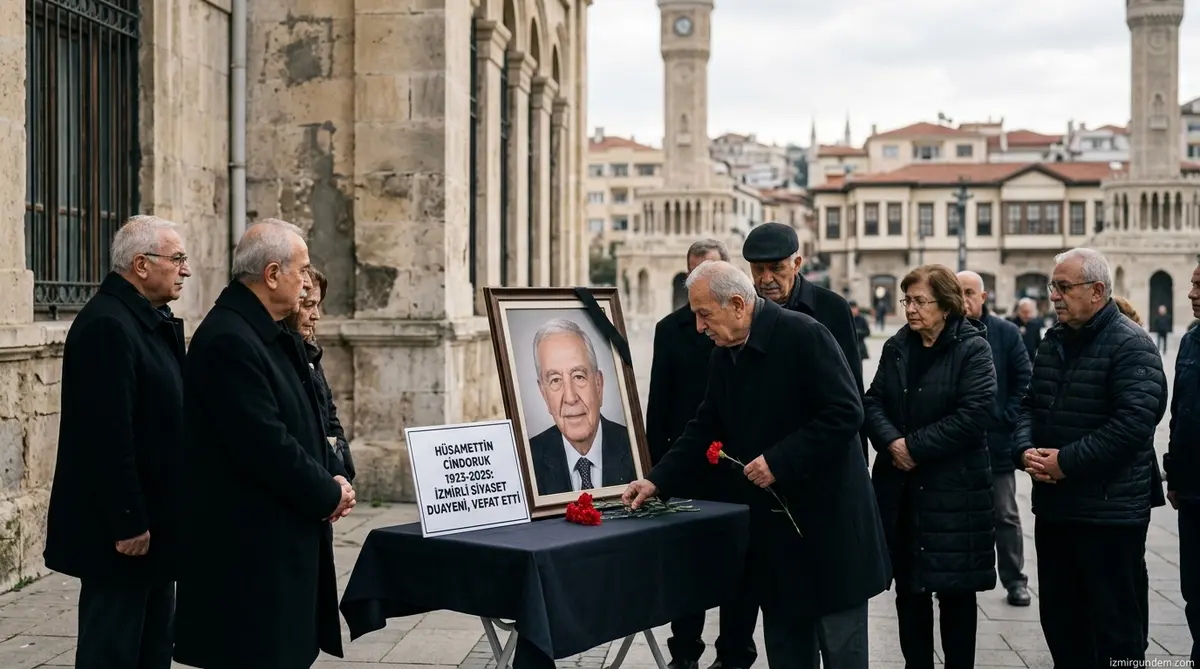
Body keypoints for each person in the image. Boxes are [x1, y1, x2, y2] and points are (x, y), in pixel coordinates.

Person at [623, 260, 890, 669]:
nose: (698, 327)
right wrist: (657, 481)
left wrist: (778, 461)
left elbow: (845, 413)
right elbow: (704, 426)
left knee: (842, 652)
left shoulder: (804, 335)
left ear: (737, 304)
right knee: (786, 650)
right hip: (777, 536)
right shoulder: (724, 353)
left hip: (829, 530)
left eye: (704, 314)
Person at [173, 219, 357, 669]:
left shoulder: (266, 331)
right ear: (272, 275)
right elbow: (265, 444)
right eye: (303, 269)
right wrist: (328, 491)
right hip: (247, 558)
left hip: (277, 545)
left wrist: (333, 472)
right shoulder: (229, 340)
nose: (307, 280)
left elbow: (308, 419)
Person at [43, 215, 190, 669]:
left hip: (153, 522)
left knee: (150, 647)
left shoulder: (146, 319)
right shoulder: (109, 325)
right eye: (178, 259)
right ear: (142, 264)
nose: (185, 270)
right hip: (122, 531)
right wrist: (128, 521)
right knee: (113, 649)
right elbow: (107, 435)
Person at [1014, 248, 1167, 666]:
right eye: (1052, 287)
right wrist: (1025, 450)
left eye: (1064, 287)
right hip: (1056, 510)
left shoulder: (1132, 345)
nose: (1054, 297)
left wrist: (1065, 462)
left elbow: (1133, 426)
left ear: (1097, 290)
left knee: (1115, 628)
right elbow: (1028, 404)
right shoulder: (1053, 341)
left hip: (1109, 513)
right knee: (1063, 623)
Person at [863, 265, 997, 668]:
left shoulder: (972, 349)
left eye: (920, 301)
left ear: (946, 305)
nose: (911, 309)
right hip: (902, 492)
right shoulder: (897, 346)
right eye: (908, 300)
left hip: (954, 494)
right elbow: (872, 403)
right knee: (910, 591)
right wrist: (891, 442)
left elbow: (974, 415)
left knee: (956, 594)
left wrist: (913, 448)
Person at [646, 240, 758, 669]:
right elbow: (661, 402)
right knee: (687, 564)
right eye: (694, 276)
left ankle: (734, 652)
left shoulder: (748, 327)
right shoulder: (672, 329)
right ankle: (684, 652)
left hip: (738, 465)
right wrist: (658, 469)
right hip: (689, 463)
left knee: (740, 564)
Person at [741, 221, 866, 463]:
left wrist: (860, 461)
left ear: (796, 264)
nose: (766, 279)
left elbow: (853, 389)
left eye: (776, 268)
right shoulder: (744, 310)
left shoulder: (833, 308)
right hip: (761, 454)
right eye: (758, 269)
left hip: (820, 448)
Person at [956, 271, 1033, 608]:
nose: (964, 299)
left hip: (996, 442)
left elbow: (1024, 381)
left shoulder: (1005, 333)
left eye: (970, 292)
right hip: (956, 444)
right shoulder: (946, 332)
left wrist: (1004, 418)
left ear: (984, 297)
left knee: (1005, 514)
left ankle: (1015, 580)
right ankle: (957, 578)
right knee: (955, 513)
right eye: (958, 292)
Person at [1112, 294, 1170, 652]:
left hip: (1131, 479)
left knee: (1129, 567)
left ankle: (1135, 641)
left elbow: (1150, 411)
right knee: (1132, 566)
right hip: (1134, 478)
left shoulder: (1136, 351)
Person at [528, 318, 636, 494]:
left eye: (579, 376)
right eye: (555, 380)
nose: (570, 398)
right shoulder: (527, 461)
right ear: (544, 394)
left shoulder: (637, 449)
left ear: (598, 385)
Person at [284, 267, 355, 481]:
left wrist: (342, 472)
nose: (316, 316)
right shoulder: (280, 354)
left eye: (317, 305)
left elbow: (329, 415)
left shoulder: (309, 349)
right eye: (308, 305)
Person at [1164, 255, 1200, 664]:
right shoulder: (1191, 340)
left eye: (1199, 286)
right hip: (1191, 491)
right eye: (1191, 284)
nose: (1191, 294)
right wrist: (1173, 473)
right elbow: (1180, 411)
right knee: (1194, 591)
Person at [1007, 297, 1042, 361]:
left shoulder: (1035, 325)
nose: (1027, 315)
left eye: (1029, 312)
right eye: (1024, 312)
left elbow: (1038, 344)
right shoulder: (1011, 324)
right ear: (1018, 311)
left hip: (1031, 360)